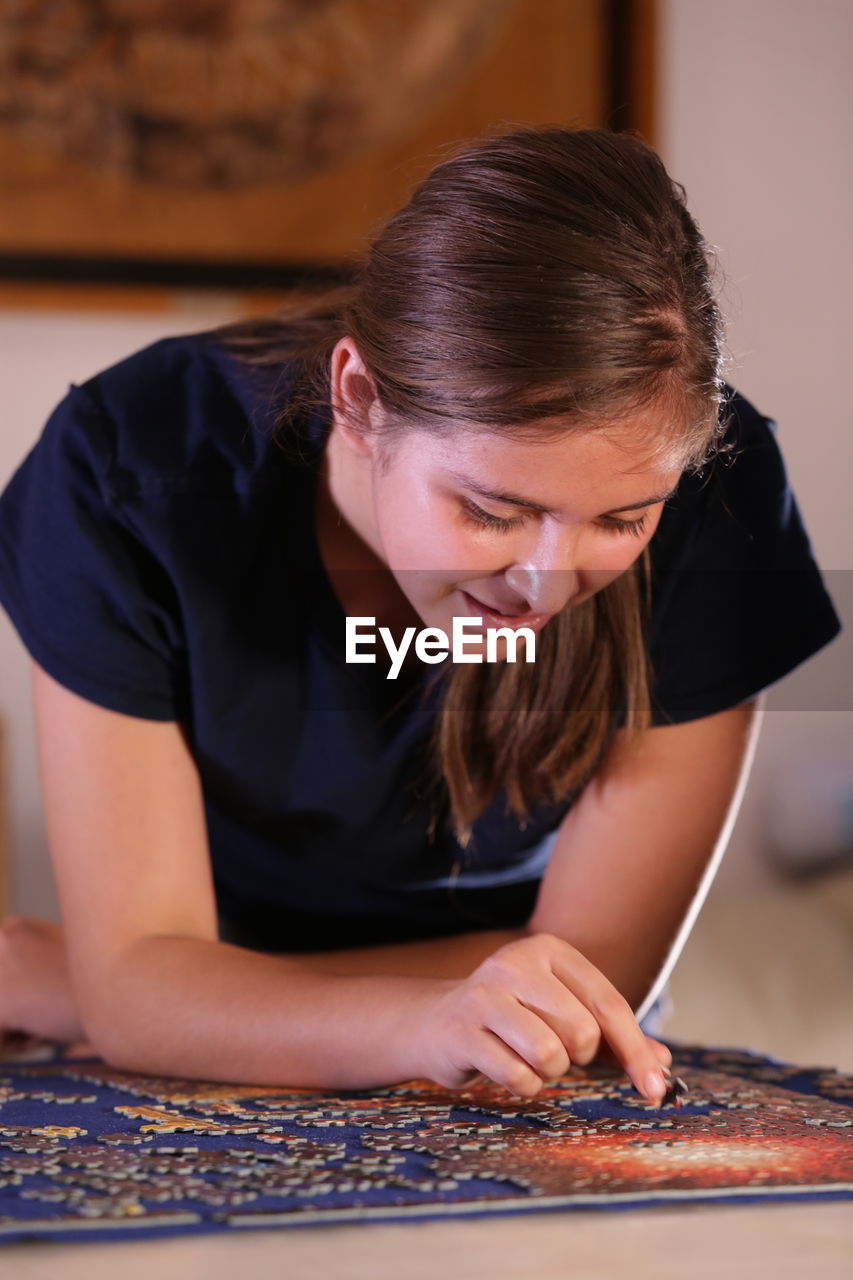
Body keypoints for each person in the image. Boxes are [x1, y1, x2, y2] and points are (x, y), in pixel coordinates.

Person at [0, 128, 841, 1104]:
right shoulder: (128, 468)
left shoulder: (716, 491)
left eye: (620, 519)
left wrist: (108, 990)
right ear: (359, 396)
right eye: (491, 509)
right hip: (208, 1061)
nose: (544, 579)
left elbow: (586, 981)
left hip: (496, 1052)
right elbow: (146, 976)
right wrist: (153, 994)